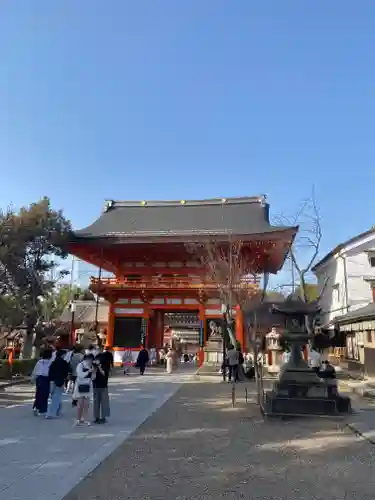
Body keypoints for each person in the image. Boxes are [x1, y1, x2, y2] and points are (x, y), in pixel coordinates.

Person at [46, 349, 69, 419]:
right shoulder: (64, 363)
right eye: (65, 354)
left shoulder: (53, 362)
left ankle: (56, 411)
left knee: (53, 397)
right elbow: (66, 373)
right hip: (60, 381)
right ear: (62, 355)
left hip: (52, 381)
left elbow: (49, 373)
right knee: (57, 397)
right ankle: (52, 413)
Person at [73, 353, 95, 426]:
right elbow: (80, 375)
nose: (90, 361)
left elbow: (93, 378)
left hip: (88, 386)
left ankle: (85, 419)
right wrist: (88, 371)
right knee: (80, 404)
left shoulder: (92, 366)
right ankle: (78, 419)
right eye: (90, 359)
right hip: (80, 385)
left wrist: (93, 372)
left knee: (87, 404)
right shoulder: (80, 365)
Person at [31, 349, 52, 416]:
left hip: (39, 378)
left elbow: (35, 371)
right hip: (47, 379)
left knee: (39, 393)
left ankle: (36, 407)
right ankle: (43, 409)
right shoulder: (51, 362)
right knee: (45, 394)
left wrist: (33, 379)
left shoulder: (39, 362)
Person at [92, 355, 110, 424]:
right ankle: (96, 417)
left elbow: (104, 374)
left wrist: (99, 368)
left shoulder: (105, 367)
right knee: (96, 403)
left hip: (103, 386)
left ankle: (103, 417)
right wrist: (94, 370)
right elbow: (93, 377)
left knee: (104, 402)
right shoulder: (94, 367)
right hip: (96, 386)